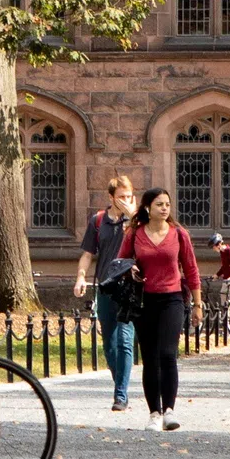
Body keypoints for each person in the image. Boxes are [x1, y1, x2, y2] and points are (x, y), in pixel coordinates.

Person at [117, 187, 202, 429]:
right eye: (159, 205)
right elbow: (120, 262)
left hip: (172, 299)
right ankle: (154, 413)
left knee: (167, 354)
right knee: (150, 358)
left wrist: (197, 304)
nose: (165, 208)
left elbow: (192, 269)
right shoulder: (135, 233)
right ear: (147, 208)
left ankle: (169, 411)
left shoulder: (179, 234)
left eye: (167, 204)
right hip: (144, 301)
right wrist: (130, 268)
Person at [72, 176, 143, 411]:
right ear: (111, 197)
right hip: (105, 287)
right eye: (121, 197)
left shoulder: (138, 221)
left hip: (129, 288)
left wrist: (133, 215)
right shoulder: (98, 221)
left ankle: (120, 395)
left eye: (129, 196)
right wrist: (81, 276)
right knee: (109, 345)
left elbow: (146, 241)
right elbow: (87, 253)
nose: (125, 201)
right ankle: (119, 385)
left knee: (125, 341)